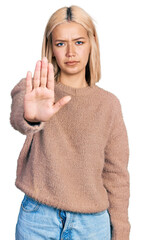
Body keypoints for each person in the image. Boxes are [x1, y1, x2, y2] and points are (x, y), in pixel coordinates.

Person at [10, 5, 131, 240]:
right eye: (60, 43)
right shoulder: (36, 89)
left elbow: (116, 175)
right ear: (51, 48)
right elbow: (19, 110)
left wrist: (122, 231)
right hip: (39, 218)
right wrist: (31, 117)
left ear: (91, 43)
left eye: (78, 42)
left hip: (92, 224)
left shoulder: (109, 104)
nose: (70, 53)